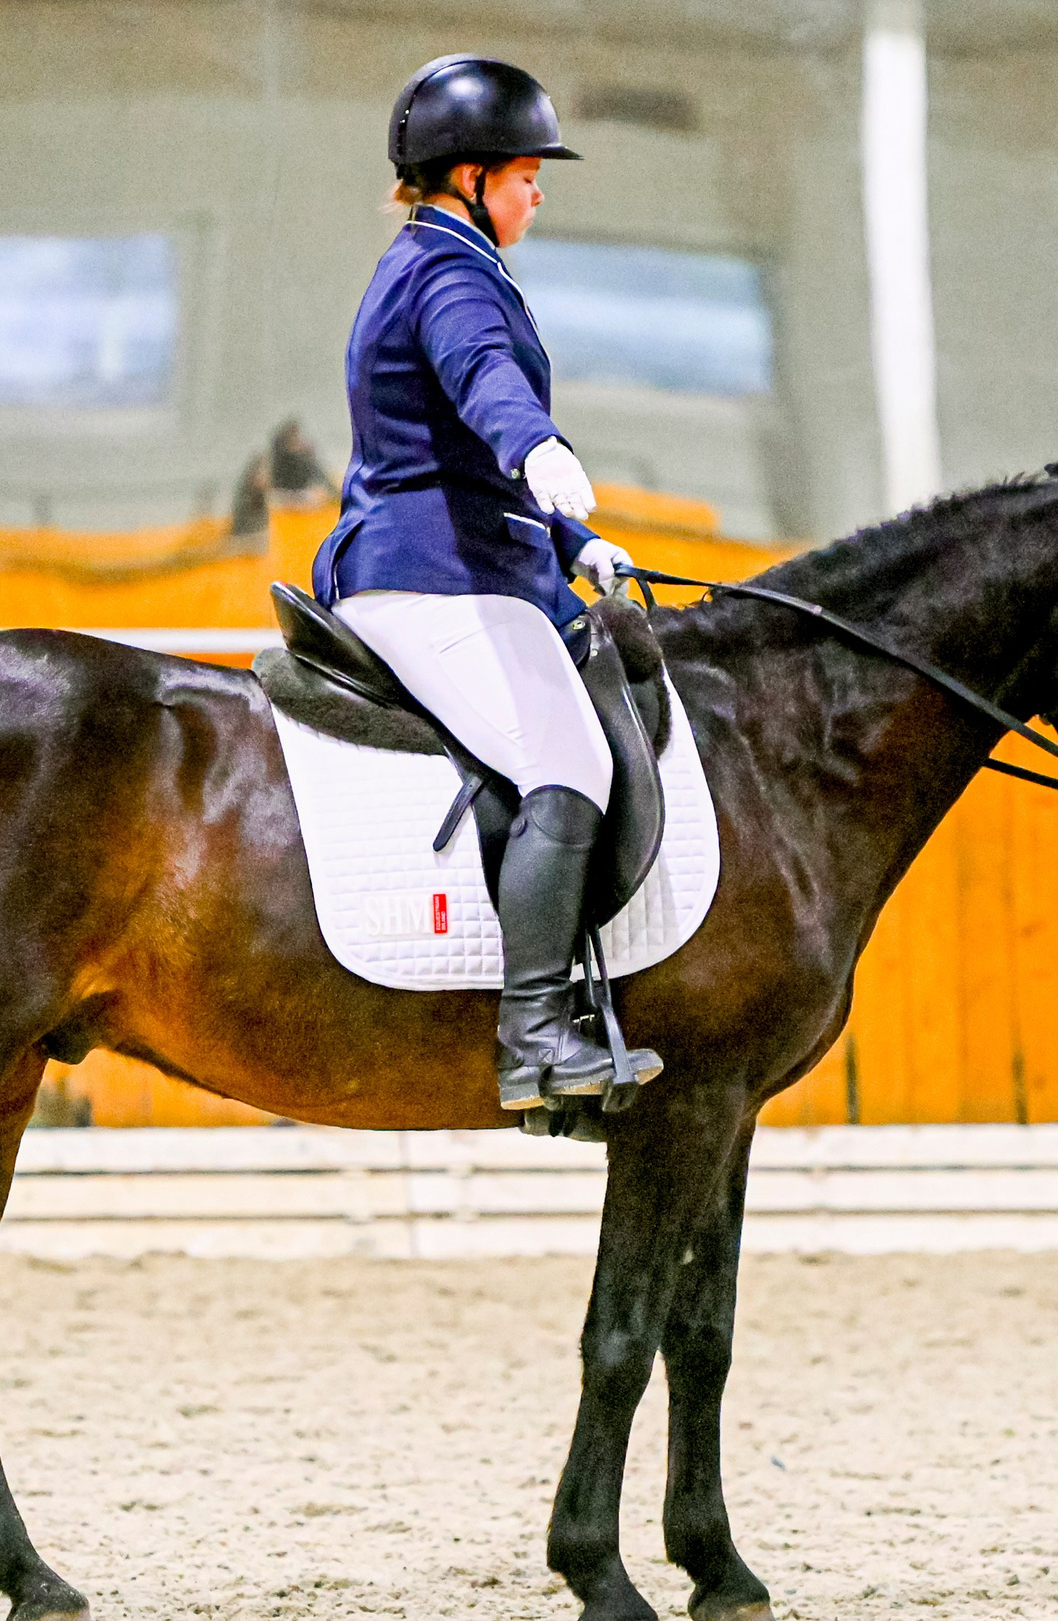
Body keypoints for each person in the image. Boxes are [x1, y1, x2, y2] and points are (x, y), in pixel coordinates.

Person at [313, 53, 659, 1112]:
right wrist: (536, 445)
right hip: (431, 576)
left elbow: (452, 448)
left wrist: (572, 543)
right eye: (523, 175)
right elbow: (483, 380)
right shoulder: (448, 273)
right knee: (569, 762)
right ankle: (534, 1040)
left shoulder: (441, 258)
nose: (536, 193)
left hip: (468, 561)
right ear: (469, 178)